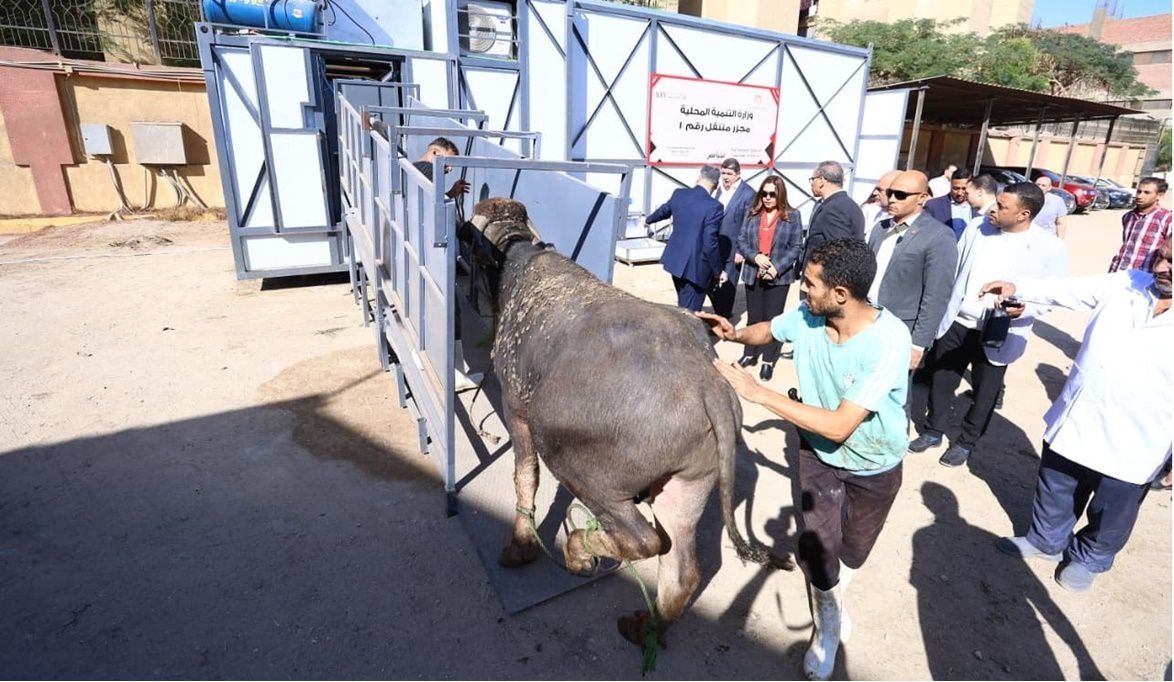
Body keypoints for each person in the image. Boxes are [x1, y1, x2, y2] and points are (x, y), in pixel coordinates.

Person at [697, 238, 911, 682]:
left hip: (875, 464)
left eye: (809, 283)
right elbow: (771, 329)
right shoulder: (810, 315)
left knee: (852, 550)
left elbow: (840, 425)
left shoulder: (887, 342)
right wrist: (735, 333)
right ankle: (828, 625)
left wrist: (759, 394)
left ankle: (830, 590)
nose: (801, 287)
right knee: (817, 546)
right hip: (816, 453)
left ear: (840, 294)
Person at [987, 235, 1172, 592]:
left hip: (1141, 435)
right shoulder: (1127, 283)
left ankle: (1090, 558)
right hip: (1081, 415)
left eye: (1172, 263)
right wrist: (1018, 287)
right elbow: (1067, 290)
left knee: (1114, 506)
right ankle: (1045, 541)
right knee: (1057, 482)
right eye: (1161, 256)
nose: (1161, 268)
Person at [910, 182, 1067, 467]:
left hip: (1000, 331)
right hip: (958, 321)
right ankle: (933, 430)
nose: (992, 209)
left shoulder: (1050, 248)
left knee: (985, 393)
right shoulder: (977, 228)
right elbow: (955, 268)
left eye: (1002, 206)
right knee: (942, 379)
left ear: (1023, 214)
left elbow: (1050, 295)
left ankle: (966, 442)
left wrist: (1025, 309)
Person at [867, 171, 958, 375]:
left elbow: (936, 296)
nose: (891, 199)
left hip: (900, 329)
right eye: (890, 192)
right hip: (866, 321)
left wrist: (918, 344)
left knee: (894, 395)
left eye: (900, 195)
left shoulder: (939, 236)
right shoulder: (880, 228)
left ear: (922, 198)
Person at [733, 175, 804, 381]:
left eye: (772, 194)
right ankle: (749, 353)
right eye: (764, 193)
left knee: (773, 320)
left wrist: (777, 268)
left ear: (780, 194)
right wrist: (754, 256)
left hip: (778, 277)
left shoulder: (792, 215)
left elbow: (796, 247)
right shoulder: (752, 213)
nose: (767, 198)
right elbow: (742, 240)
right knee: (754, 317)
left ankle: (767, 361)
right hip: (753, 273)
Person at [645, 165, 724, 311]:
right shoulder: (714, 206)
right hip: (696, 269)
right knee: (690, 314)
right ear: (716, 185)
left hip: (675, 263)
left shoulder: (679, 194)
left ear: (698, 178)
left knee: (683, 304)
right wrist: (718, 271)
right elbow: (710, 243)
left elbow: (664, 210)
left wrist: (647, 220)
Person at [710, 158, 757, 318]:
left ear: (738, 174)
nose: (725, 177)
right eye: (723, 173)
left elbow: (748, 224)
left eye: (729, 173)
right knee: (711, 280)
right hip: (715, 245)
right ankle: (719, 312)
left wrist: (741, 250)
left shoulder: (748, 194)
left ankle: (723, 317)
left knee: (728, 285)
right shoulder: (717, 190)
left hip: (733, 248)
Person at [803, 160, 865, 270]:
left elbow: (839, 254)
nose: (811, 183)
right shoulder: (849, 205)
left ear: (821, 180)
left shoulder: (834, 208)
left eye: (812, 179)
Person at [1109, 177, 1170, 273]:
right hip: (1119, 273)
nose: (1140, 196)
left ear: (1159, 195)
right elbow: (1127, 246)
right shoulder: (1128, 216)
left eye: (1147, 192)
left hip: (1145, 278)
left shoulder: (1167, 219)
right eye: (1139, 191)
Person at [924, 168, 979, 239]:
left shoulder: (978, 208)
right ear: (950, 185)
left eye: (964, 189)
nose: (959, 193)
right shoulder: (933, 205)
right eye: (956, 188)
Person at [862, 170, 901, 242]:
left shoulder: (906, 220)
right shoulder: (874, 211)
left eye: (880, 190)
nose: (874, 193)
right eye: (876, 189)